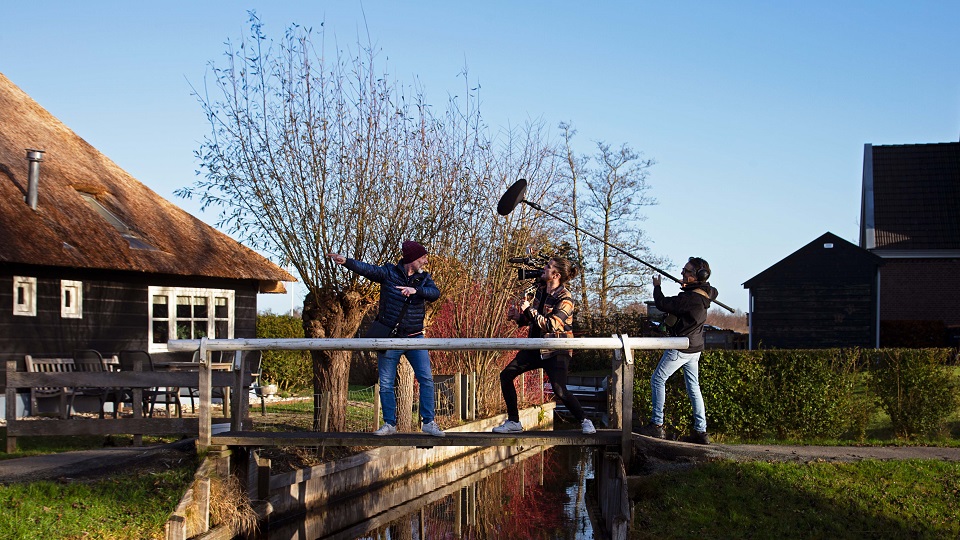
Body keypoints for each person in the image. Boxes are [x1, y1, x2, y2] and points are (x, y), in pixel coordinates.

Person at [328, 241, 445, 437]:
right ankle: (390, 424)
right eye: (422, 258)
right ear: (411, 260)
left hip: (416, 338)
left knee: (426, 379)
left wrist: (417, 291)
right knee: (386, 383)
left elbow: (435, 294)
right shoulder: (389, 274)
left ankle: (428, 422)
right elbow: (367, 270)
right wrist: (346, 261)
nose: (426, 261)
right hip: (391, 338)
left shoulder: (424, 279)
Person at [493, 256, 597, 435]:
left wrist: (529, 310)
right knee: (506, 375)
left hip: (556, 349)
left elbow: (551, 325)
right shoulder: (541, 291)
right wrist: (518, 317)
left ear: (556, 274)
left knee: (559, 389)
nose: (544, 268)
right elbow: (533, 320)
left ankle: (585, 420)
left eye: (548, 267)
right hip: (535, 346)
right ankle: (514, 421)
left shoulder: (566, 299)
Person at [640, 257, 718, 445]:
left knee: (658, 379)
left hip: (682, 346)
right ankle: (701, 431)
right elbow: (710, 291)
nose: (682, 273)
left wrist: (657, 286)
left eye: (686, 271)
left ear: (698, 276)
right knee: (694, 387)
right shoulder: (705, 294)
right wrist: (687, 285)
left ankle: (657, 424)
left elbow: (662, 304)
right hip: (696, 347)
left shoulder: (690, 299)